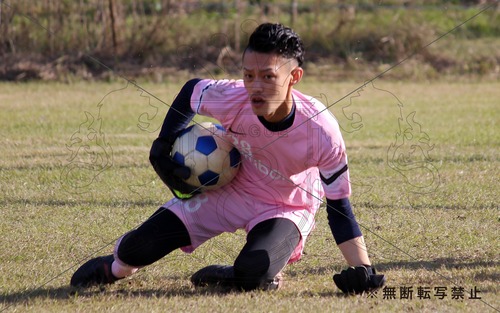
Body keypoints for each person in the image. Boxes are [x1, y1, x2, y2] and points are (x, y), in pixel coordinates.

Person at [70, 23, 386, 293]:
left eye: (268, 77)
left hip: (286, 206)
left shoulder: (321, 130)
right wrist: (161, 144)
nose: (255, 87)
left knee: (254, 271)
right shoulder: (233, 96)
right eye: (248, 75)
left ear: (295, 76)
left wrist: (363, 270)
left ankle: (250, 276)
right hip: (230, 188)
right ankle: (115, 269)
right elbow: (192, 90)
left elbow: (340, 209)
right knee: (133, 250)